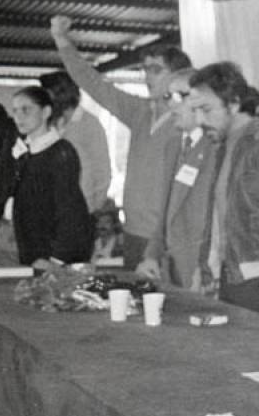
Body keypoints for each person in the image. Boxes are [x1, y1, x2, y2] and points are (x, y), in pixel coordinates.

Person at [50, 16, 192, 268]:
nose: (148, 77)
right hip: (133, 231)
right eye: (145, 69)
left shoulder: (188, 122)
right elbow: (94, 84)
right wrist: (62, 40)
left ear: (178, 75)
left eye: (156, 70)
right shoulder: (139, 111)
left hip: (166, 237)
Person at [0, 47, 92, 268]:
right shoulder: (13, 140)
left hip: (39, 248)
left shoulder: (61, 152)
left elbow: (70, 211)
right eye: (15, 111)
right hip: (1, 238)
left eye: (26, 110)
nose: (19, 117)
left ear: (46, 112)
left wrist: (56, 259)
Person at [190, 63, 259, 317]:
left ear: (234, 103)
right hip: (230, 280)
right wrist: (206, 267)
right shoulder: (224, 148)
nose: (200, 121)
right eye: (195, 111)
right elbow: (219, 220)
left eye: (206, 110)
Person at [137, 69, 221, 292]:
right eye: (168, 97)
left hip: (201, 272)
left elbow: (215, 220)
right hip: (170, 269)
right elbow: (165, 213)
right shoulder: (173, 145)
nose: (171, 105)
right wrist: (151, 255)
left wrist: (205, 269)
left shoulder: (215, 148)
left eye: (179, 96)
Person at [39, 70, 112, 213]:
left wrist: (94, 208)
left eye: (47, 96)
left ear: (62, 96)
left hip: (80, 208)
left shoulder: (89, 124)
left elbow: (102, 170)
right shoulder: (52, 123)